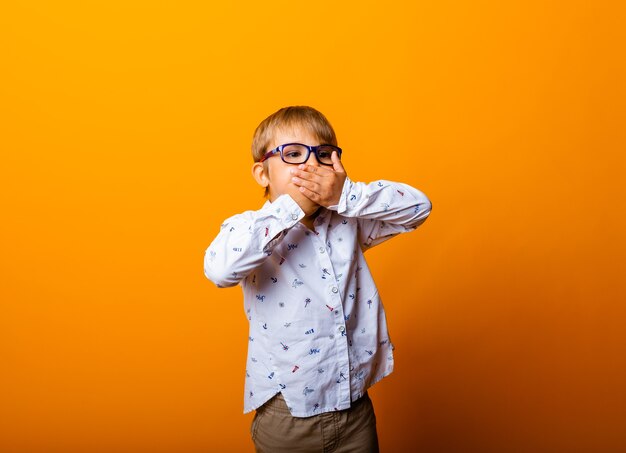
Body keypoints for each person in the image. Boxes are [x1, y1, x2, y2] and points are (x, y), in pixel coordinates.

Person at [204, 106, 432, 452]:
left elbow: (418, 208)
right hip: (288, 414)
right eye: (293, 154)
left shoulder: (349, 220)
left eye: (323, 155)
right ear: (262, 174)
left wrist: (345, 196)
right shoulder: (248, 228)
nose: (311, 165)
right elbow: (220, 270)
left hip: (354, 409)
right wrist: (291, 208)